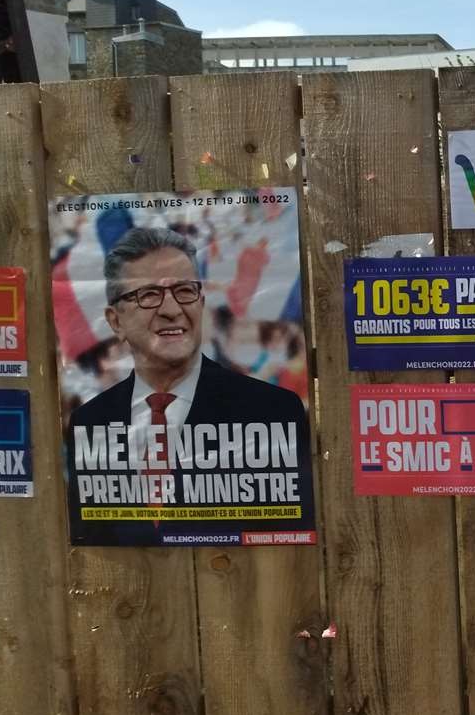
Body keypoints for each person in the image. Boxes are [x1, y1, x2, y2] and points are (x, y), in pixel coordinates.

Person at [64, 226, 314, 546]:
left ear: (201, 302)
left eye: (185, 291)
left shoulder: (272, 410)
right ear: (116, 321)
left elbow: (291, 537)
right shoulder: (90, 421)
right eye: (149, 294)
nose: (172, 310)